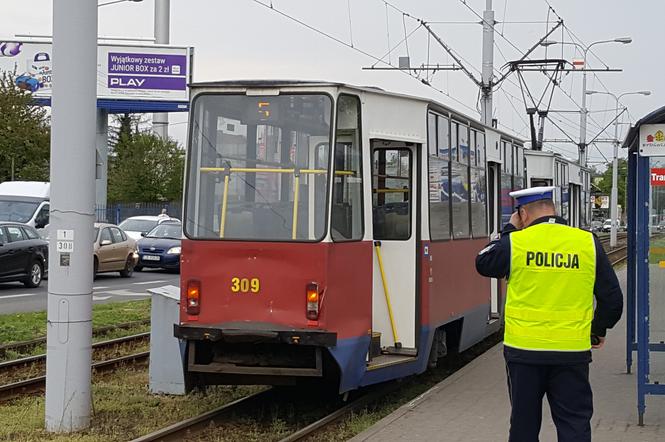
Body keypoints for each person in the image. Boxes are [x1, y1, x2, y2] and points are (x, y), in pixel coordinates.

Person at [475, 186, 623, 442]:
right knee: (574, 423)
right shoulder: (586, 242)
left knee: (524, 424)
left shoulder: (516, 242)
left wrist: (509, 231)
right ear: (553, 209)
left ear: (522, 213)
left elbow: (483, 262)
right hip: (572, 352)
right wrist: (598, 330)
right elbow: (613, 299)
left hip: (524, 352)